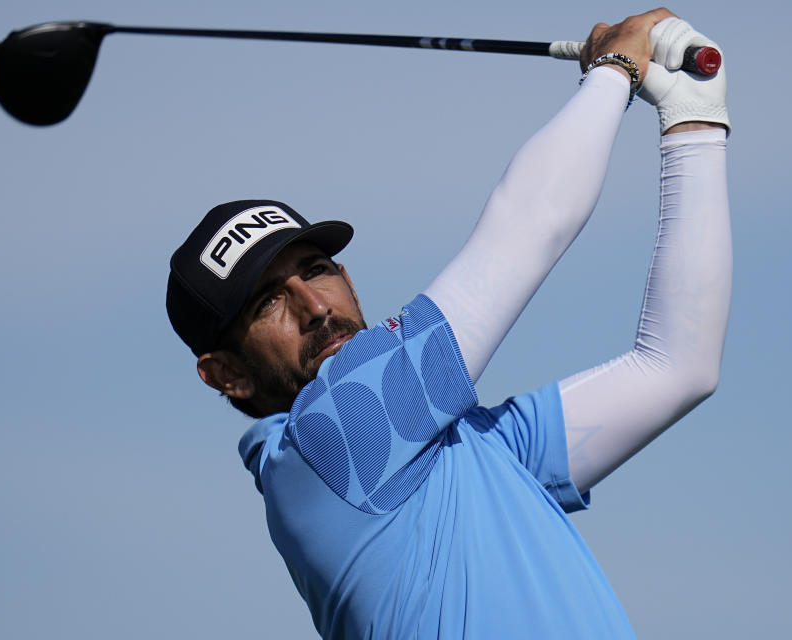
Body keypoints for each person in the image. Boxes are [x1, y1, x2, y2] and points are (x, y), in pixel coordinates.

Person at [165, 8, 731, 639]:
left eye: (317, 269)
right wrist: (613, 72)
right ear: (227, 375)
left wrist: (693, 125)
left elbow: (678, 367)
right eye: (267, 302)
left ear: (348, 278)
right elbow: (529, 225)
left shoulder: (465, 450)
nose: (315, 307)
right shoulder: (330, 443)